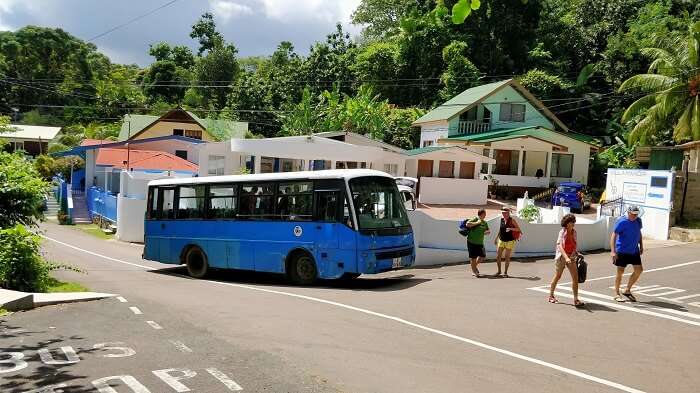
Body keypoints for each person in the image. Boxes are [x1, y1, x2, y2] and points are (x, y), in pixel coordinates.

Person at [548, 213, 584, 307]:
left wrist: (574, 254)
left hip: (571, 257)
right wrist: (566, 257)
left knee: (575, 278)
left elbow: (574, 245)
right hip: (561, 257)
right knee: (558, 276)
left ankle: (576, 299)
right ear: (567, 223)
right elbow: (559, 246)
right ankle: (551, 295)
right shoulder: (562, 232)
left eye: (573, 222)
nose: (573, 223)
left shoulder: (574, 232)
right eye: (571, 222)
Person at [610, 205, 643, 302]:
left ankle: (627, 290)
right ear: (628, 213)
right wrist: (613, 251)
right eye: (632, 214)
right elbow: (614, 235)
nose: (634, 216)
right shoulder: (622, 221)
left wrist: (641, 245)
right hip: (622, 251)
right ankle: (616, 293)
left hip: (634, 251)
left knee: (639, 270)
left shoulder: (638, 221)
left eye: (636, 214)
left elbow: (639, 233)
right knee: (620, 272)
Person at [494, 206, 521, 277]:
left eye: (505, 213)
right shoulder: (501, 220)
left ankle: (505, 272)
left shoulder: (512, 220)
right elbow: (500, 230)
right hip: (501, 239)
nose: (503, 214)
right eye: (502, 213)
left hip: (510, 240)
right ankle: (499, 271)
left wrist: (511, 228)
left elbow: (518, 229)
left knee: (507, 256)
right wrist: (496, 238)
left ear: (508, 213)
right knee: (498, 256)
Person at [465, 209, 490, 278]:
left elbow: (488, 230)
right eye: (484, 214)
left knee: (483, 256)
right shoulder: (475, 219)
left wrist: (487, 232)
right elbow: (467, 224)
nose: (485, 216)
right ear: (481, 214)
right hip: (471, 242)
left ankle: (474, 267)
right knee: (473, 258)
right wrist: (477, 223)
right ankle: (475, 271)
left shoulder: (485, 222)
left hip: (480, 243)